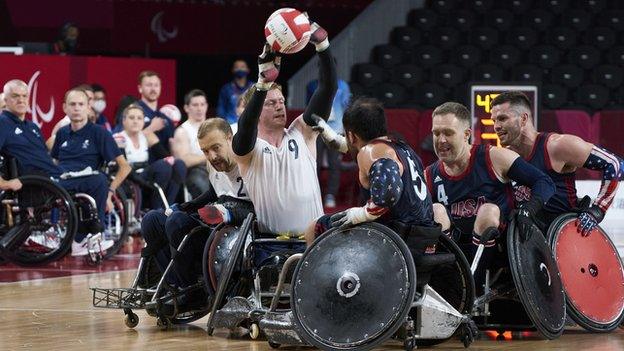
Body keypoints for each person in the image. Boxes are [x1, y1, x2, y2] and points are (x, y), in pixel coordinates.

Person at [424, 102, 555, 288]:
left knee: (488, 211)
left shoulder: (493, 157)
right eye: (436, 133)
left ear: (466, 135)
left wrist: (529, 210)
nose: (441, 140)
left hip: (499, 249)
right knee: (435, 211)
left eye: (448, 133)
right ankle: (449, 282)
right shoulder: (430, 174)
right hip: (456, 250)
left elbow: (545, 182)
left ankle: (473, 285)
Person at [304, 97, 441, 263]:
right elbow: (368, 154)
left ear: (351, 135)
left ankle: (322, 281)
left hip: (396, 240)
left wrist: (361, 214)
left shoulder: (370, 152)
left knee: (314, 228)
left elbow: (389, 194)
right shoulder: (402, 148)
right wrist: (334, 138)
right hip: (424, 239)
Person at [232, 20, 336, 237]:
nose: (280, 106)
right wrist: (262, 84)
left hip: (314, 242)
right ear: (258, 108)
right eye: (271, 103)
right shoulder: (249, 149)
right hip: (270, 245)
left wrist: (323, 47)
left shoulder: (301, 131)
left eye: (281, 101)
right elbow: (246, 127)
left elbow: (327, 89)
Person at [140, 118, 253, 307]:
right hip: (214, 224)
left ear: (229, 138)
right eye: (205, 151)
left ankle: (193, 291)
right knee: (152, 219)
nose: (211, 156)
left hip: (232, 236)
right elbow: (212, 193)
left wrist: (227, 211)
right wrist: (184, 206)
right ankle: (174, 284)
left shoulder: (248, 163)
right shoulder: (213, 165)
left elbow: (260, 207)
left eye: (216, 148)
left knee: (177, 222)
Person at [490, 91, 624, 235]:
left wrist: (598, 210)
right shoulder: (503, 157)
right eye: (494, 121)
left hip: (564, 236)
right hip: (526, 238)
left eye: (502, 119)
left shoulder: (557, 146)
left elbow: (615, 164)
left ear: (523, 119)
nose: (496, 126)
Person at [51, 88, 132, 255]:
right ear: (64, 108)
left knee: (100, 179)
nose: (76, 108)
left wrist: (110, 192)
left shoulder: (99, 132)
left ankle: (92, 236)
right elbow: (53, 162)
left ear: (88, 107)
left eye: (81, 104)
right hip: (62, 180)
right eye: (72, 104)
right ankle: (47, 233)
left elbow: (125, 167)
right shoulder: (61, 133)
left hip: (88, 179)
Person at [114, 103, 186, 209]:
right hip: (130, 178)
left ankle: (169, 205)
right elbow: (124, 168)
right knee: (163, 166)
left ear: (144, 121)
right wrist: (144, 183)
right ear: (124, 121)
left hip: (146, 174)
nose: (135, 121)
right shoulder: (119, 138)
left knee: (179, 164)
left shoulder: (147, 136)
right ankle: (157, 208)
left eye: (139, 118)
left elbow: (166, 156)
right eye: (131, 118)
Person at [306, 61, 351, 208]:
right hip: (316, 130)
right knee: (314, 164)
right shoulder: (312, 86)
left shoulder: (343, 86)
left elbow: (347, 109)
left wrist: (346, 131)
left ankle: (331, 194)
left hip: (336, 129)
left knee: (334, 163)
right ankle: (314, 192)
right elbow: (309, 109)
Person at [116, 71, 174, 151]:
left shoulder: (166, 119)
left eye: (156, 85)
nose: (153, 89)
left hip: (162, 161)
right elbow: (119, 141)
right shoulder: (131, 112)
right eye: (149, 85)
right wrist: (151, 128)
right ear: (140, 88)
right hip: (137, 160)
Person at [171, 89, 212, 198]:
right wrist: (209, 157)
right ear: (186, 108)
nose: (199, 108)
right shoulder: (182, 131)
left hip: (217, 169)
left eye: (202, 104)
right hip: (195, 172)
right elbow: (184, 160)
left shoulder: (214, 127)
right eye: (195, 105)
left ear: (207, 106)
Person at [217, 60, 254, 124]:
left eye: (242, 67)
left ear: (248, 70)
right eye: (237, 67)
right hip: (230, 124)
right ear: (232, 70)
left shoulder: (254, 87)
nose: (240, 69)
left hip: (251, 124)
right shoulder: (226, 89)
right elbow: (221, 110)